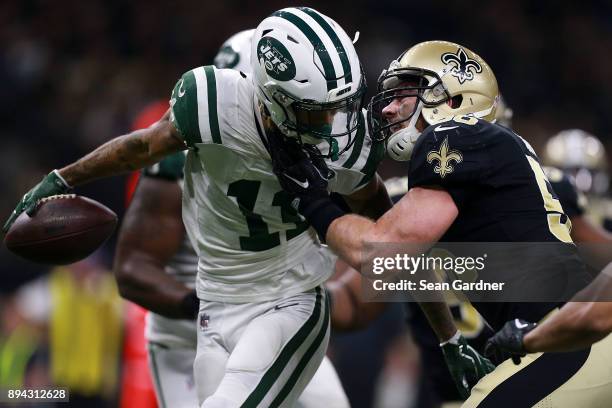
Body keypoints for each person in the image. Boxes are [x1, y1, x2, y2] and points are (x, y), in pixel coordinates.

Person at [4, 8, 391, 407]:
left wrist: (438, 300)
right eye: (313, 110)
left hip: (273, 302)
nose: (329, 123)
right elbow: (133, 268)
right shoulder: (199, 131)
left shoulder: (337, 150)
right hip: (192, 323)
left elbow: (384, 261)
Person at [270, 40, 612, 407]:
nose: (388, 109)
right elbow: (405, 262)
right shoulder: (469, 170)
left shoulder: (455, 134)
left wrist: (313, 201)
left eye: (404, 94)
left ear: (451, 99)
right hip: (556, 339)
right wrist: (450, 339)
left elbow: (379, 252)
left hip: (571, 341)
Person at [114, 29, 350, 408]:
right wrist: (201, 304)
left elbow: (348, 259)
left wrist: (313, 301)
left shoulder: (302, 149)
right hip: (189, 327)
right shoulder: (178, 156)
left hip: (269, 309)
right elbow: (130, 268)